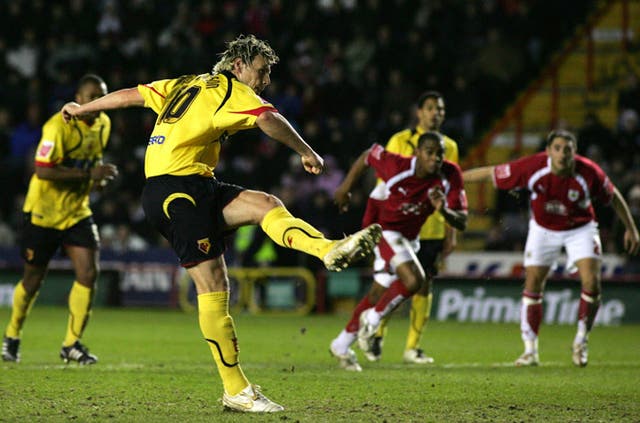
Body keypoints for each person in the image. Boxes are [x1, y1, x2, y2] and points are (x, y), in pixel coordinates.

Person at [59, 35, 381, 413]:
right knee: (212, 284)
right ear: (239, 65)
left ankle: (328, 250)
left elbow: (130, 94)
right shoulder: (231, 89)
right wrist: (306, 150)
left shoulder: (186, 83)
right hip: (175, 192)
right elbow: (269, 118)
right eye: (261, 72)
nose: (264, 81)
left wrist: (83, 108)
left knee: (265, 205)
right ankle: (236, 390)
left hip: (195, 184)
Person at [462, 129, 639, 367]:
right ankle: (530, 351)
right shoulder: (533, 167)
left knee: (592, 282)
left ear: (574, 152)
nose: (562, 154)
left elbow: (614, 195)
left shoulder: (588, 172)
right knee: (533, 282)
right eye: (557, 148)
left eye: (568, 149)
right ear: (548, 151)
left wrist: (631, 228)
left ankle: (581, 340)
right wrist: (456, 178)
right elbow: (491, 173)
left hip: (581, 228)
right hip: (543, 229)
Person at [2, 74, 118, 365]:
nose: (97, 101)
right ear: (78, 97)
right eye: (92, 95)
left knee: (89, 273)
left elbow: (90, 165)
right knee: (33, 279)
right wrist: (87, 175)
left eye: (102, 95)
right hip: (43, 212)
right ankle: (12, 335)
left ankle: (71, 344)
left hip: (77, 211)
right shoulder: (57, 125)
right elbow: (42, 171)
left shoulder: (104, 124)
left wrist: (97, 182)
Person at [329, 132, 468, 371]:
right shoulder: (396, 166)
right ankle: (371, 321)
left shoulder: (450, 174)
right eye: (430, 152)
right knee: (414, 280)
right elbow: (368, 154)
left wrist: (443, 210)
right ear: (417, 153)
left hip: (410, 237)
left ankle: (341, 345)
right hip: (384, 227)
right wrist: (344, 188)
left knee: (378, 291)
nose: (435, 159)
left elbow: (462, 221)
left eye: (439, 154)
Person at [364, 90, 460, 364]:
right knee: (389, 282)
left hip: (431, 228)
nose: (435, 113)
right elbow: (384, 182)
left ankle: (412, 348)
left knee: (423, 286)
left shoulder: (450, 146)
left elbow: (452, 191)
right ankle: (375, 334)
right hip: (397, 226)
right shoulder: (399, 140)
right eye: (430, 108)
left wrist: (450, 234)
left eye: (440, 109)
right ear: (419, 112)